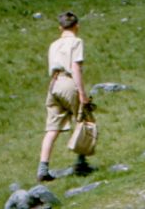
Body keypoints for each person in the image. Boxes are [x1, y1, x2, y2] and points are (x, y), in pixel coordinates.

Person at [37, 11, 93, 182]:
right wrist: (82, 93)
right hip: (68, 82)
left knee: (52, 128)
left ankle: (43, 167)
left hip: (53, 84)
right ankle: (81, 161)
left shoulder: (53, 44)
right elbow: (75, 67)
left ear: (60, 27)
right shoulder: (76, 42)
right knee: (84, 118)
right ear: (77, 26)